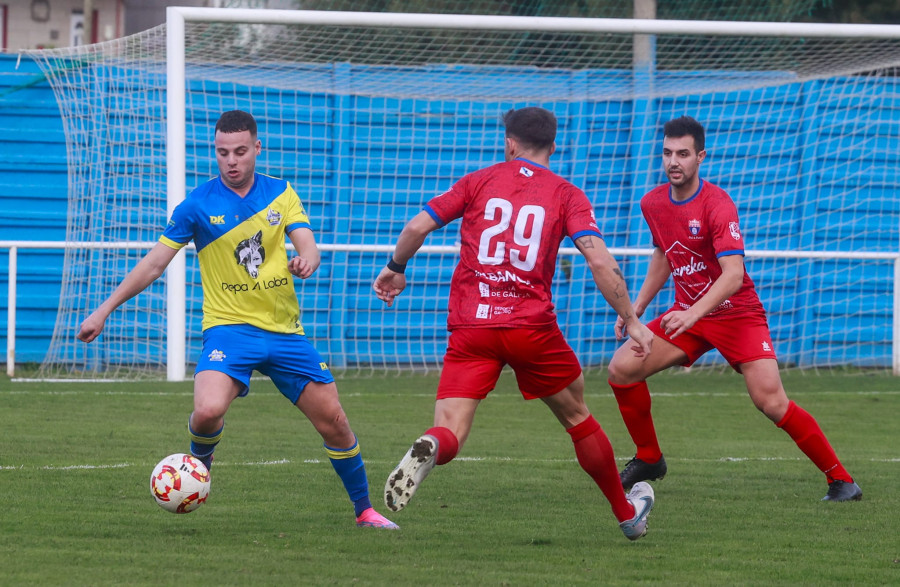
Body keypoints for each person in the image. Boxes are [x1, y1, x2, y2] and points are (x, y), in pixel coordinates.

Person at [77, 110, 399, 529]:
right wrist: (103, 310)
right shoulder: (196, 205)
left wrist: (307, 261)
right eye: (222, 152)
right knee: (208, 411)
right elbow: (154, 264)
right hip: (229, 329)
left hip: (284, 332)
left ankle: (365, 511)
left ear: (257, 149)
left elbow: (309, 246)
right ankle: (200, 468)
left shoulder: (281, 193)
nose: (231, 161)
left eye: (241, 151)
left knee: (335, 422)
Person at [373, 106, 657, 540]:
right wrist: (631, 319)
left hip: (473, 325)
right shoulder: (566, 194)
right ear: (554, 146)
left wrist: (396, 267)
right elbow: (598, 258)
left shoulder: (478, 180)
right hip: (531, 328)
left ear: (509, 143)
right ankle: (626, 515)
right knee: (577, 415)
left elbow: (416, 226)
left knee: (450, 425)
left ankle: (432, 446)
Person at [607, 115, 862, 502]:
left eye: (683, 154)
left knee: (770, 401)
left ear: (701, 157)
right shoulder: (652, 203)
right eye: (667, 153)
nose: (673, 161)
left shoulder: (717, 204)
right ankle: (650, 458)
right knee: (622, 369)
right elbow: (664, 252)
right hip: (688, 315)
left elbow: (734, 275)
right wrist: (637, 308)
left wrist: (692, 313)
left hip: (736, 314)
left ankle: (842, 481)